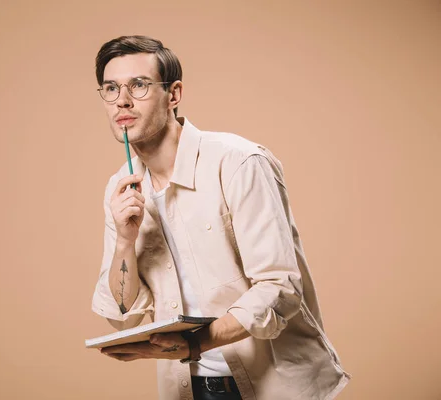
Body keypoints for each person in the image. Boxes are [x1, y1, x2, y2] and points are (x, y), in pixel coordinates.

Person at [90, 35, 351, 400]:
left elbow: (279, 287)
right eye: (111, 88)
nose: (123, 100)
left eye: (139, 85)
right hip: (189, 388)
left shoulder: (238, 163)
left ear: (174, 94)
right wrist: (124, 240)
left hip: (276, 386)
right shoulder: (121, 187)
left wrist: (194, 344)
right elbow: (122, 316)